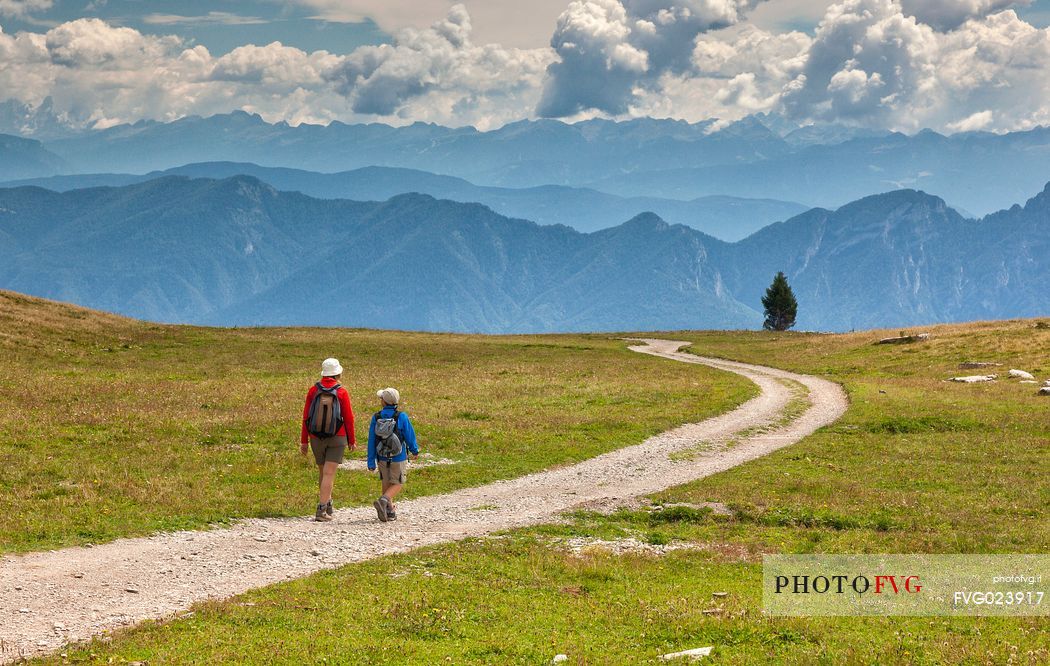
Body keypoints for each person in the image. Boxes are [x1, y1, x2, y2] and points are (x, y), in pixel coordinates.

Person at [300, 358, 356, 522]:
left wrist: (304, 441)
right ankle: (322, 509)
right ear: (338, 373)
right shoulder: (342, 392)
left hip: (315, 437)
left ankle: (328, 504)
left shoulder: (313, 390)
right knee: (329, 473)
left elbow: (306, 417)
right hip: (337, 437)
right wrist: (351, 440)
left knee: (323, 472)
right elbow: (349, 418)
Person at [367, 387, 419, 522]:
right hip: (398, 456)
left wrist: (370, 461)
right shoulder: (401, 416)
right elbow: (409, 435)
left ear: (383, 402)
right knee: (398, 483)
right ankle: (384, 501)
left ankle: (389, 511)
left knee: (386, 482)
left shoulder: (376, 417)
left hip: (382, 456)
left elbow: (372, 440)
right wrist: (414, 449)